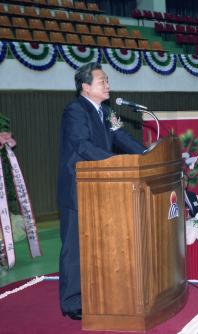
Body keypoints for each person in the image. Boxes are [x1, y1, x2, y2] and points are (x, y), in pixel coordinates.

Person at [57, 63, 146, 320]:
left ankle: (100, 290)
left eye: (107, 80)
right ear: (86, 87)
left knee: (100, 242)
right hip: (78, 188)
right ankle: (72, 302)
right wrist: (114, 162)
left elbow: (122, 138)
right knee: (74, 246)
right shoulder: (75, 110)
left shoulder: (106, 111)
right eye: (102, 81)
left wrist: (146, 155)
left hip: (101, 187)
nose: (108, 85)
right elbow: (82, 145)